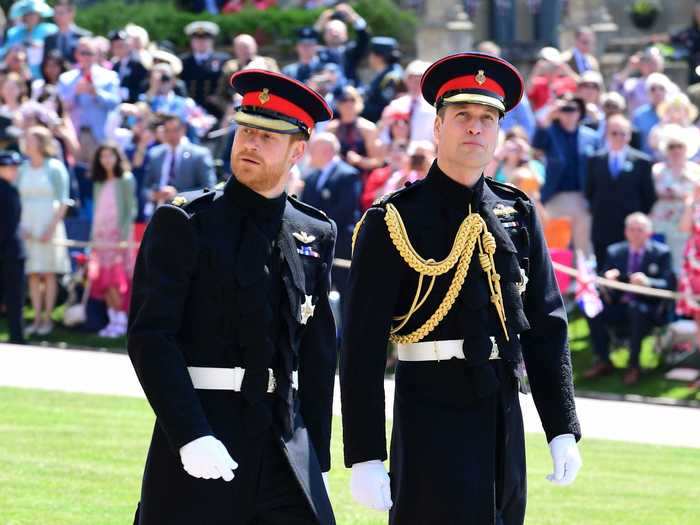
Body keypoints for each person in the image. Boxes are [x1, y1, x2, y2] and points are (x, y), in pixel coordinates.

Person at [340, 52, 582, 525]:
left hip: (502, 408)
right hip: (429, 406)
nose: (475, 128)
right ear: (437, 126)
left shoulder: (517, 211)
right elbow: (362, 346)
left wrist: (561, 428)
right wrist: (366, 454)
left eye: (487, 118)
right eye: (463, 116)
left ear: (498, 131)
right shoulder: (393, 219)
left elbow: (547, 325)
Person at [128, 69, 337, 524]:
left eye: (267, 136)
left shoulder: (315, 231)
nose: (250, 144)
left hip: (285, 443)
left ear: (297, 149)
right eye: (245, 130)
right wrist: (189, 434)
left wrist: (315, 449)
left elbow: (318, 350)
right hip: (206, 435)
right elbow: (150, 336)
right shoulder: (186, 222)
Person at [584, 213, 675, 386]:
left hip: (648, 308)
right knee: (593, 310)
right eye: (631, 229)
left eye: (640, 230)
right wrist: (607, 277)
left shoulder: (661, 252)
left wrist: (648, 281)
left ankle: (634, 365)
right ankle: (603, 360)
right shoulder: (615, 251)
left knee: (636, 310)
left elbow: (668, 283)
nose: (635, 233)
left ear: (648, 232)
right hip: (620, 304)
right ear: (626, 232)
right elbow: (601, 279)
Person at [17, 125, 71, 336]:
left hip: (50, 225)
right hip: (26, 227)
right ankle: (36, 317)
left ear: (41, 142)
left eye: (30, 138)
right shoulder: (22, 168)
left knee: (48, 273)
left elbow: (64, 200)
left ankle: (48, 318)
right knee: (32, 273)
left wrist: (51, 228)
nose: (26, 142)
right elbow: (17, 199)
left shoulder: (56, 167)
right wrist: (21, 226)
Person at [585, 114, 657, 267]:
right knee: (603, 267)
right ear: (607, 134)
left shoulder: (642, 162)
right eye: (614, 133)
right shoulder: (595, 159)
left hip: (630, 228)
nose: (618, 137)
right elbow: (589, 191)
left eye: (623, 133)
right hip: (602, 223)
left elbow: (649, 195)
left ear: (629, 135)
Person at [301, 131, 361, 307]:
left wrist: (319, 228)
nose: (309, 153)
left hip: (340, 243)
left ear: (327, 151)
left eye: (313, 149)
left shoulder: (348, 175)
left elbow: (345, 210)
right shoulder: (312, 177)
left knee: (345, 294)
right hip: (315, 244)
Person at [88, 143, 136, 338]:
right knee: (104, 280)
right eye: (103, 156)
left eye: (110, 156)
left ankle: (121, 320)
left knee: (117, 280)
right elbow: (97, 212)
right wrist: (93, 237)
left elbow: (130, 209)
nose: (106, 160)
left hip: (118, 238)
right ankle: (112, 319)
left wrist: (124, 237)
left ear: (117, 158)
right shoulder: (99, 182)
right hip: (101, 238)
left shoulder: (126, 179)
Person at [142, 114, 216, 218]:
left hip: (188, 215)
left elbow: (209, 189)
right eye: (167, 130)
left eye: (175, 130)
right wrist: (154, 195)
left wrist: (178, 195)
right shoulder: (155, 154)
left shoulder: (199, 155)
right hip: (158, 215)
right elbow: (145, 188)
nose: (171, 135)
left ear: (183, 129)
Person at [0, 150, 26, 344]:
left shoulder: (10, 189)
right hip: (9, 251)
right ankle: (16, 335)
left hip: (9, 249)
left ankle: (17, 335)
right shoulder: (7, 191)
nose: (14, 171)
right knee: (14, 296)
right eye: (10, 167)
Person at [42, 0, 91, 65]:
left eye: (61, 13)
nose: (57, 16)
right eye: (55, 13)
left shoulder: (84, 36)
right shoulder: (48, 39)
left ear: (72, 14)